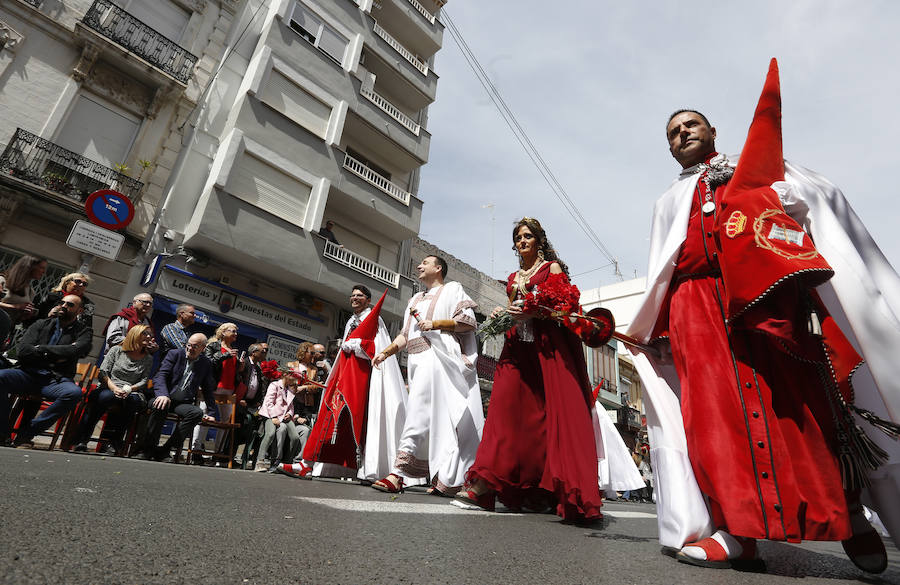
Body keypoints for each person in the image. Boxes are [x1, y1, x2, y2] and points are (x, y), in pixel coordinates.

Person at [626, 60, 898, 572]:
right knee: (715, 424)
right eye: (672, 133)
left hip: (767, 304)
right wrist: (655, 331)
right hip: (694, 312)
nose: (682, 134)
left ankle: (849, 517)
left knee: (805, 407)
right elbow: (660, 270)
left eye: (690, 125)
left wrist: (770, 189)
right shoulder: (668, 200)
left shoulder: (760, 168)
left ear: (712, 132)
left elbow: (807, 210)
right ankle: (738, 531)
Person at [454, 218, 603, 521]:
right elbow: (514, 305)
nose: (522, 241)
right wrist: (501, 311)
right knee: (503, 411)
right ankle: (483, 483)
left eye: (527, 236)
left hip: (545, 351)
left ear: (539, 241)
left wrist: (537, 308)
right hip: (516, 350)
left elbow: (565, 306)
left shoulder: (552, 269)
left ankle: (543, 490)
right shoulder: (513, 276)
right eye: (518, 238)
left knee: (544, 420)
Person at [371, 255, 484, 496]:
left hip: (437, 357)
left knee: (418, 411)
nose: (419, 266)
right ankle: (445, 477)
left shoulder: (452, 289)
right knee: (437, 418)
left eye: (425, 262)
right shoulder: (414, 298)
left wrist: (435, 323)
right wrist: (386, 352)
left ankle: (397, 474)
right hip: (415, 361)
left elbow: (467, 322)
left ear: (438, 268)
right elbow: (405, 335)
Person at [299, 286, 410, 483]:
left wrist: (358, 346)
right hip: (344, 374)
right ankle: (320, 463)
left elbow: (377, 349)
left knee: (358, 417)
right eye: (352, 295)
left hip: (363, 378)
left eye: (360, 296)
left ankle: (363, 466)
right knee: (332, 416)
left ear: (368, 301)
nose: (354, 298)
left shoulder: (374, 319)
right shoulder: (351, 320)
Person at [0, 294, 92, 447]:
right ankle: (2, 432)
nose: (63, 306)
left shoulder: (83, 331)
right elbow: (23, 351)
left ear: (79, 311)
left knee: (73, 393)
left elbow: (77, 350)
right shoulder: (41, 324)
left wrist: (40, 349)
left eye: (69, 305)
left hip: (55, 379)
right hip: (28, 374)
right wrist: (59, 353)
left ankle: (27, 433)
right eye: (62, 302)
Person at [73, 324, 154, 455]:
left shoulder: (148, 358)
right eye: (146, 333)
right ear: (135, 334)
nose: (149, 337)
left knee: (133, 402)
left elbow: (144, 380)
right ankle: (82, 439)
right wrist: (114, 388)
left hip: (131, 391)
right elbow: (103, 372)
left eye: (150, 334)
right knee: (105, 397)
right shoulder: (116, 350)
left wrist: (129, 389)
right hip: (109, 386)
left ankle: (113, 442)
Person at [139, 333, 217, 462]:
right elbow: (160, 376)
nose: (190, 349)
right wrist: (163, 394)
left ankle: (165, 450)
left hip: (182, 402)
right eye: (188, 345)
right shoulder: (175, 354)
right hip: (163, 397)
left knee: (196, 413)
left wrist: (212, 412)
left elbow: (208, 389)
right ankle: (148, 449)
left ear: (203, 348)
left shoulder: (205, 363)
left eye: (195, 346)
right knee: (159, 406)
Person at [193, 322, 245, 465]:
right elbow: (208, 362)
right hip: (212, 387)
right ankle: (196, 450)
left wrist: (239, 368)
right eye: (232, 331)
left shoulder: (234, 349)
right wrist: (225, 355)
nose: (235, 334)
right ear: (223, 332)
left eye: (236, 331)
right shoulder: (213, 346)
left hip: (228, 389)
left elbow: (231, 370)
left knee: (225, 422)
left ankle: (218, 453)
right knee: (204, 417)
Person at [255, 370, 303, 472]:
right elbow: (268, 402)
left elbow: (291, 405)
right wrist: (274, 417)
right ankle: (260, 461)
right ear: (286, 375)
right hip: (270, 414)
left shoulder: (290, 388)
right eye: (293, 377)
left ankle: (286, 462)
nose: (294, 380)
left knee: (295, 437)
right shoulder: (274, 385)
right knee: (271, 433)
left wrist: (290, 414)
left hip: (284, 417)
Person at [237, 342, 268, 468]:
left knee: (253, 429)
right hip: (240, 401)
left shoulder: (258, 367)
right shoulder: (244, 364)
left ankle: (246, 456)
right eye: (262, 351)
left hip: (251, 404)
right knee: (239, 428)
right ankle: (227, 455)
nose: (264, 354)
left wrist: (258, 401)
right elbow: (238, 380)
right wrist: (240, 398)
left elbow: (258, 386)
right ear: (253, 353)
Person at [0, 255, 46, 327]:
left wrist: (24, 315)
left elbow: (17, 321)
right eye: (41, 267)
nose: (44, 272)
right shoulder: (3, 280)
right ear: (29, 267)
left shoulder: (31, 292)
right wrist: (15, 306)